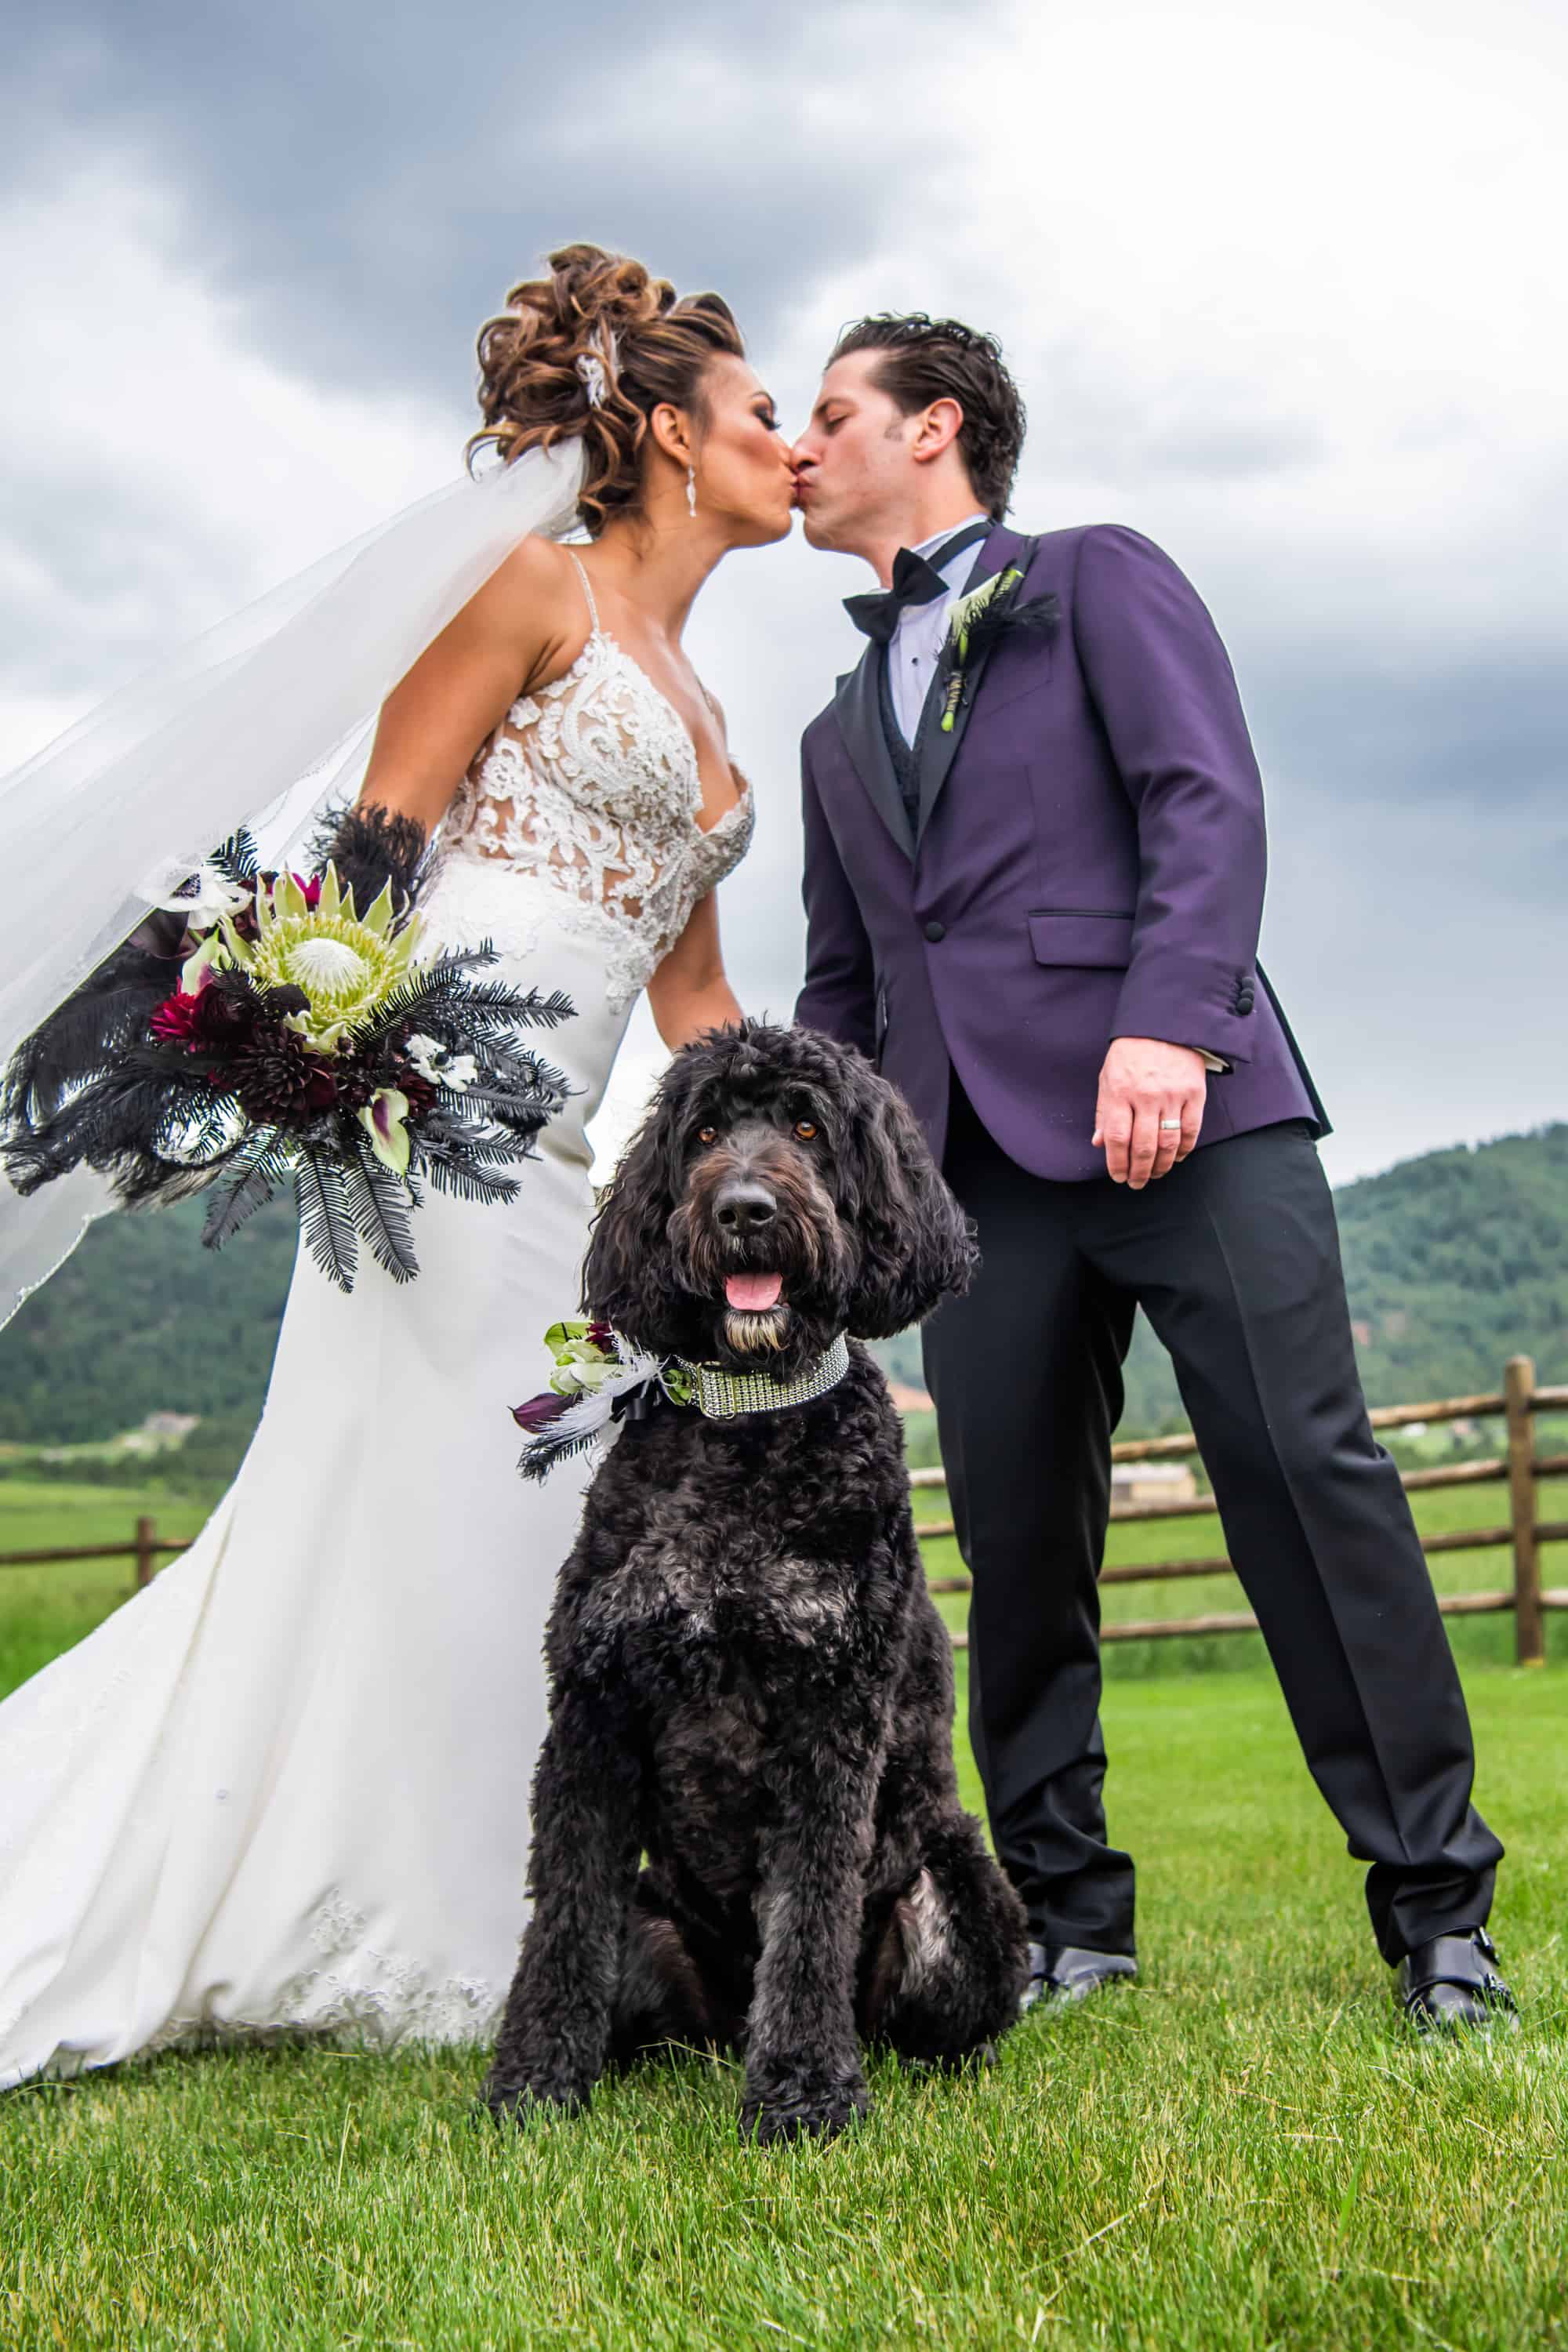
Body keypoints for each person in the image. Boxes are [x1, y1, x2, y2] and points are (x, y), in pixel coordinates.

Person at [0, 243, 793, 2087]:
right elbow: (375, 847)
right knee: (455, 1508)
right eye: (763, 417)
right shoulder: (529, 589)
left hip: (578, 1159)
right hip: (427, 1140)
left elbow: (695, 1002)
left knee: (499, 1521)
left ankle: (500, 1917)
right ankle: (460, 1934)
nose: (789, 449)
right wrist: (336, 1063)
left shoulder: (714, 723)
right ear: (672, 436)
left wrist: (817, 1120)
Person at [791, 313, 1516, 2032]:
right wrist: (838, 1185)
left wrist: (1167, 1028)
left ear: (936, 427)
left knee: (1303, 1475)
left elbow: (1206, 797)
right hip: (969, 1170)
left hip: (1188, 1111)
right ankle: (1061, 1918)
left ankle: (1436, 1918)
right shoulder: (829, 733)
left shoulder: (1095, 577)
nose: (802, 447)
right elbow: (846, 987)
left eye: (832, 416)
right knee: (1019, 1549)